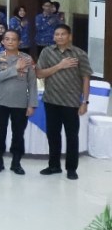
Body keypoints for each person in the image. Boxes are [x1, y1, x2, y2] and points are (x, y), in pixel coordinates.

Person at [35, 24, 91, 180]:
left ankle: (71, 168)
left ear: (70, 36)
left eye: (63, 34)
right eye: (56, 34)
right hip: (51, 100)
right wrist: (60, 66)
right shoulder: (47, 52)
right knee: (53, 135)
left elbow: (86, 78)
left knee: (72, 136)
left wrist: (85, 102)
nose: (59, 37)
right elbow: (39, 74)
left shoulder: (79, 54)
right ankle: (54, 165)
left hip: (71, 102)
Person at [0, 29, 37, 174]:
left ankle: (16, 163)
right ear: (2, 41)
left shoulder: (27, 59)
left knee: (18, 135)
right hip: (1, 102)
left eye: (14, 39)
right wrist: (15, 68)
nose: (10, 42)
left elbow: (32, 83)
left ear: (19, 42)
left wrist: (32, 104)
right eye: (7, 39)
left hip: (20, 104)